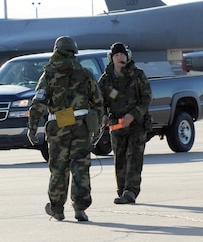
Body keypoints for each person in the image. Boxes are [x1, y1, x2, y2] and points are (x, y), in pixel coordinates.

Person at [27, 36, 104, 222]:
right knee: (81, 167)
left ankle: (57, 208)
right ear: (74, 52)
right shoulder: (85, 73)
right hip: (82, 127)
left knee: (58, 169)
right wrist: (98, 126)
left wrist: (32, 127)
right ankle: (80, 208)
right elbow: (98, 102)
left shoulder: (49, 74)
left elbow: (38, 102)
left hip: (59, 127)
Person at [98, 42, 153, 205]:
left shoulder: (137, 75)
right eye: (116, 55)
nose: (120, 57)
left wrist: (133, 114)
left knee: (134, 157)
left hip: (137, 124)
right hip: (117, 125)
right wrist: (103, 115)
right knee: (120, 158)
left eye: (122, 55)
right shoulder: (106, 79)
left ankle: (131, 191)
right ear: (111, 58)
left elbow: (146, 98)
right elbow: (100, 101)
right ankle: (121, 190)